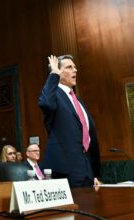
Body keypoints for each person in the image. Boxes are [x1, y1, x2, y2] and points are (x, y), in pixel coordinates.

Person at [39, 54, 101, 187]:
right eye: (69, 67)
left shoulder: (78, 100)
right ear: (58, 72)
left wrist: (94, 173)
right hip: (65, 171)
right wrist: (53, 74)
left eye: (75, 67)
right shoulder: (54, 94)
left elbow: (89, 136)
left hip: (86, 170)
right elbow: (46, 104)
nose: (75, 70)